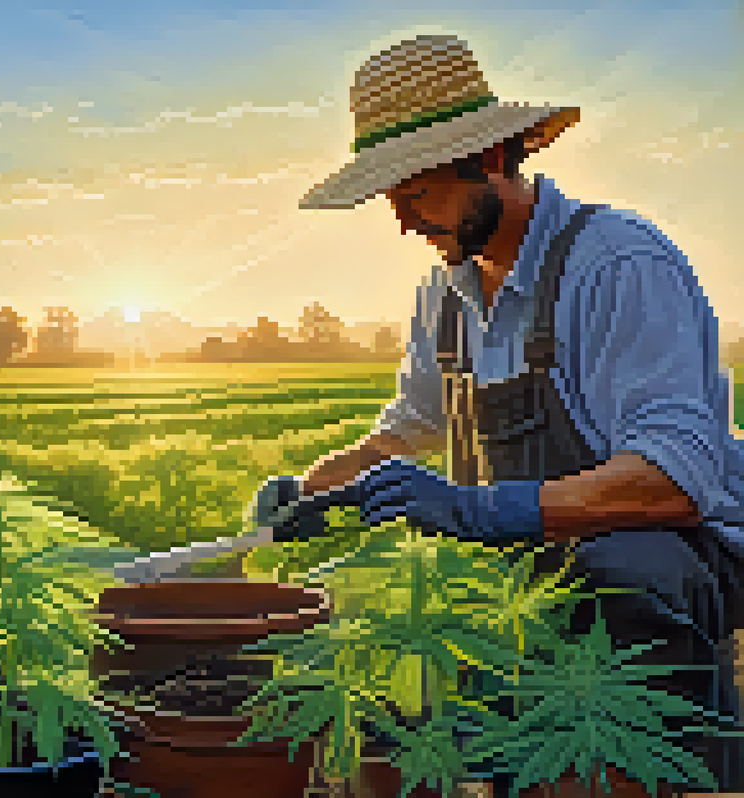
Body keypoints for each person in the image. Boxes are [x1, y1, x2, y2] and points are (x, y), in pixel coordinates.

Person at [246, 33, 744, 793]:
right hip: (532, 553)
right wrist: (315, 489)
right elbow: (405, 430)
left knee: (623, 572)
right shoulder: (444, 290)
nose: (403, 223)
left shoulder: (617, 266)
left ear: (488, 159)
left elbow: (668, 484)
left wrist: (476, 511)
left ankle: (671, 771)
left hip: (676, 550)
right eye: (391, 202)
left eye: (414, 195)